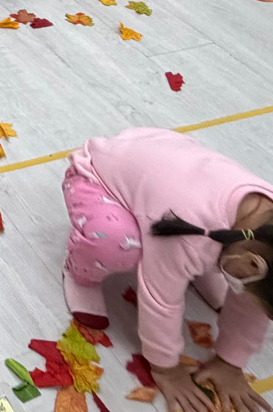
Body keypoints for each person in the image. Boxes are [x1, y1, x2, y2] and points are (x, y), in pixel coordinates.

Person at [63, 128, 273, 412]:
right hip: (97, 176)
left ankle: (207, 264)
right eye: (243, 280)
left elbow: (254, 306)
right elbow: (160, 299)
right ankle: (79, 274)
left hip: (166, 158)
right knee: (116, 245)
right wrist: (166, 369)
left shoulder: (263, 226)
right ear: (253, 263)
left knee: (197, 255)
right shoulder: (188, 234)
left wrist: (231, 361)